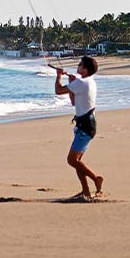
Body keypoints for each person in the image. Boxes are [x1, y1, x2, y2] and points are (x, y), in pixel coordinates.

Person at [53, 55, 104, 199]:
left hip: (86, 126)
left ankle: (96, 179)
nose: (78, 66)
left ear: (86, 69)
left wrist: (58, 76)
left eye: (80, 64)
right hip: (86, 124)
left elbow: (58, 90)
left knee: (72, 160)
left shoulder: (81, 83)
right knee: (77, 162)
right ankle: (85, 191)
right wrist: (71, 84)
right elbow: (74, 102)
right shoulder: (88, 82)